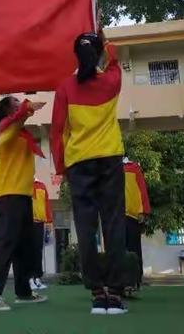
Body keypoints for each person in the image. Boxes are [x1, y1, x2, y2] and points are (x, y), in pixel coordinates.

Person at [50, 25, 127, 315]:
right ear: (96, 55)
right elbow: (115, 60)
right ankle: (116, 294)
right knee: (113, 224)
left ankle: (97, 293)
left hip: (79, 163)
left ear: (75, 56)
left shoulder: (65, 88)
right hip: (109, 159)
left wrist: (61, 167)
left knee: (85, 227)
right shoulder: (111, 81)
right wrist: (105, 42)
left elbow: (57, 131)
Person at [0, 96, 48, 311]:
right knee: (4, 244)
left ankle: (23, 292)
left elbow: (20, 119)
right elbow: (18, 118)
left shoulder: (20, 133)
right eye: (16, 103)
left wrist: (25, 111)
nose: (20, 105)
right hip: (8, 194)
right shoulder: (6, 128)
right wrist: (28, 108)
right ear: (8, 111)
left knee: (24, 246)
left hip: (23, 194)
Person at [124, 158, 151, 292]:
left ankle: (135, 280)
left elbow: (142, 190)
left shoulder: (133, 168)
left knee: (134, 249)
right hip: (114, 216)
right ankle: (119, 281)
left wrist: (143, 211)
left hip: (132, 215)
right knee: (117, 249)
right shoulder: (108, 167)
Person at [30, 178, 53, 290]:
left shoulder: (41, 185)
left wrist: (49, 221)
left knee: (38, 251)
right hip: (27, 223)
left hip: (39, 222)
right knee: (28, 251)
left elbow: (46, 203)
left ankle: (37, 278)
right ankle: (29, 279)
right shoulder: (23, 183)